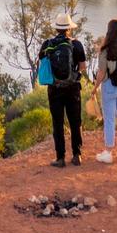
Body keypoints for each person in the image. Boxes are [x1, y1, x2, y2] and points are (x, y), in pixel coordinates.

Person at [39, 13, 87, 167]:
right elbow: (82, 67)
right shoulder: (77, 44)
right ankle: (77, 155)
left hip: (55, 89)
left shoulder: (47, 43)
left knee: (57, 123)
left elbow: (42, 61)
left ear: (57, 28)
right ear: (69, 28)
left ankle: (60, 158)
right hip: (72, 89)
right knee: (75, 122)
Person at [93, 19, 117, 164]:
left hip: (110, 86)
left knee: (109, 120)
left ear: (109, 31)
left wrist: (95, 87)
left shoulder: (105, 50)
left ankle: (108, 153)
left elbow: (102, 72)